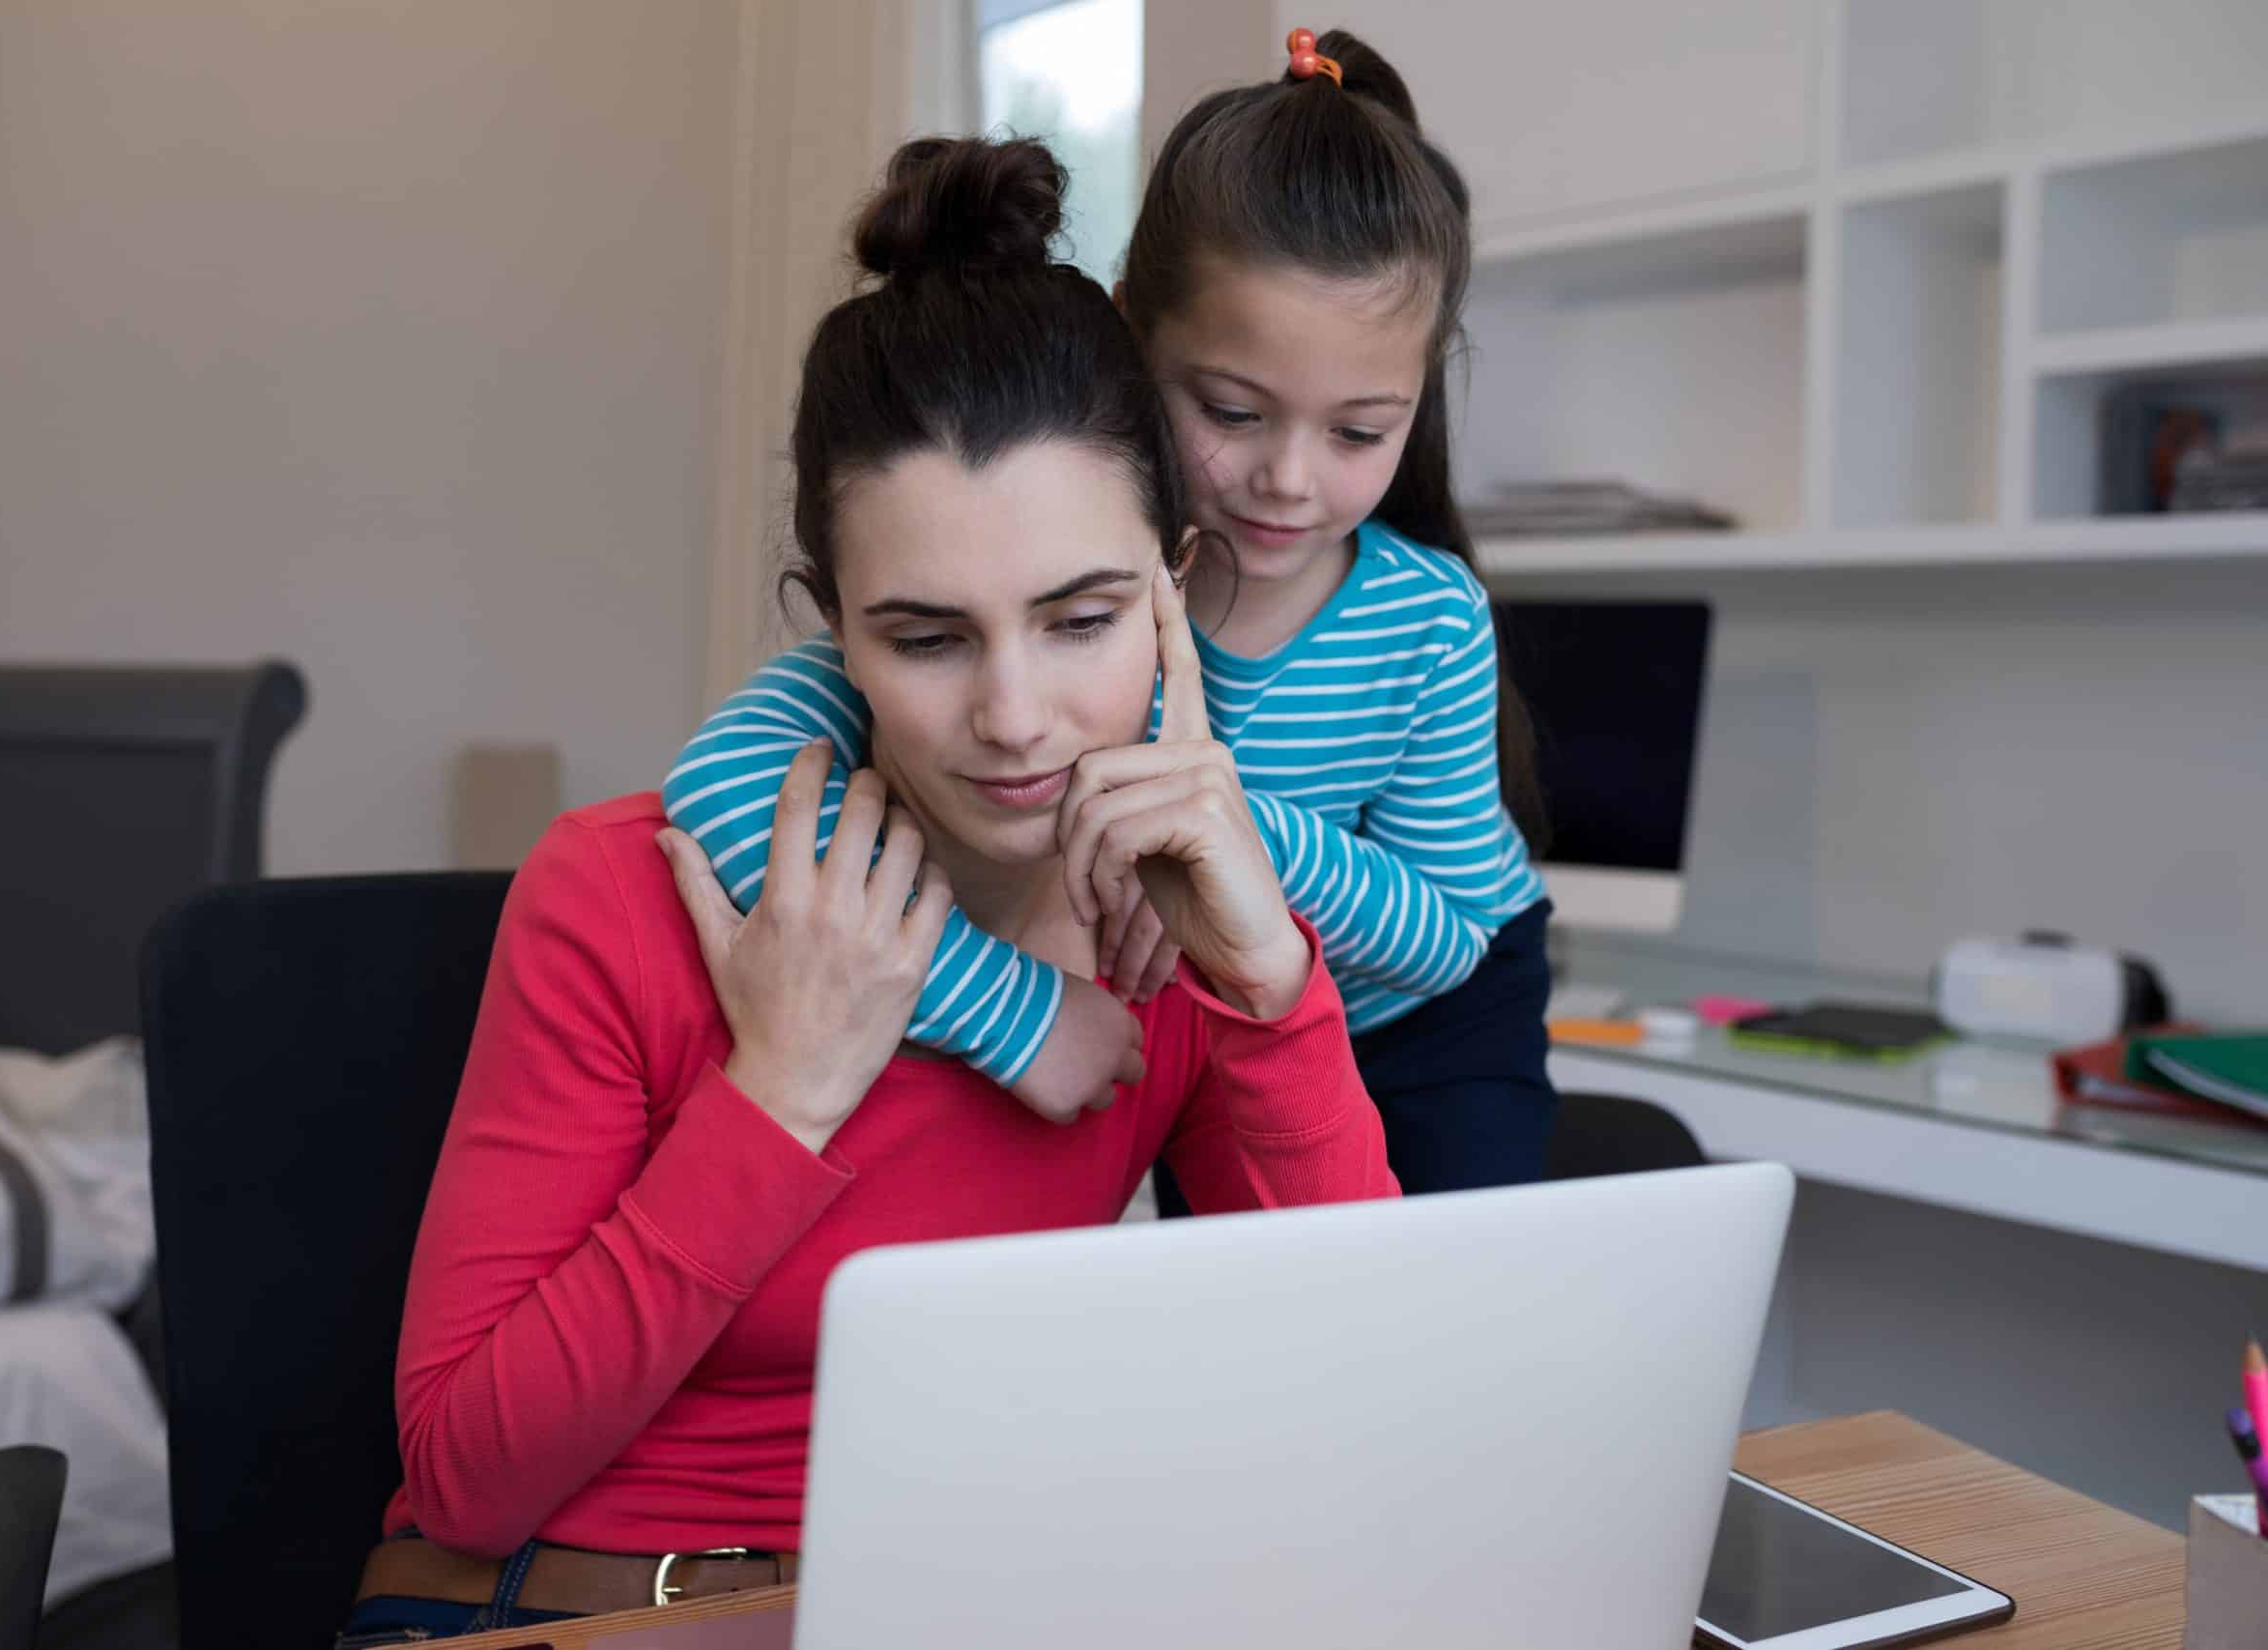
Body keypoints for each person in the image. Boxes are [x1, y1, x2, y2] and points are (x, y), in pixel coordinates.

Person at [334, 138, 1395, 1646]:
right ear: (833, 629)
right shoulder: (627, 892)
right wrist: (781, 1093)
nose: (1017, 715)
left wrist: (1274, 986)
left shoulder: (1171, 919)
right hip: (566, 1603)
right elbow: (464, 1476)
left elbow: (1355, 1385)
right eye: (929, 637)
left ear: (1171, 590)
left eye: (1082, 618)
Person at [663, 27, 1558, 1200]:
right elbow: (718, 785)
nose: (1290, 481)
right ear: (1137, 337)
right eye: (1231, 411)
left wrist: (1227, 832)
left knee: (1458, 1320)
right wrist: (1012, 1013)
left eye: (1356, 432)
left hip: (1430, 1022)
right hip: (1214, 1012)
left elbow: (1444, 936)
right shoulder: (1033, 590)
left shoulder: (1425, 618)